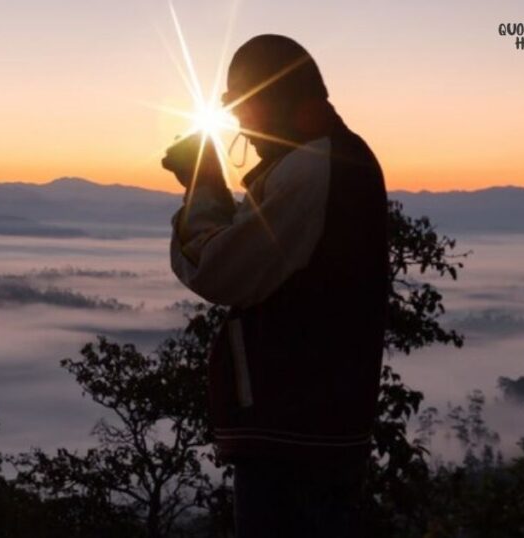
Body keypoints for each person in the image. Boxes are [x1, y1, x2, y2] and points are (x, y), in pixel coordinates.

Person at [162, 35, 388, 537]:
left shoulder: (312, 170)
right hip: (315, 433)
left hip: (295, 438)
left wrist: (201, 185)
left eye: (242, 107)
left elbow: (219, 269)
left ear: (270, 100)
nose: (241, 122)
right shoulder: (326, 160)